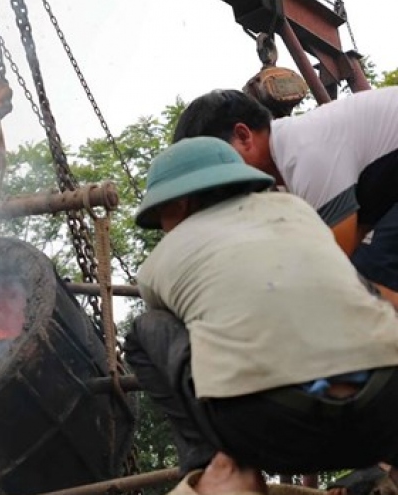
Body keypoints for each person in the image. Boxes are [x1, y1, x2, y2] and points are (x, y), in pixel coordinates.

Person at [125, 137, 398, 495]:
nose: (163, 228)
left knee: (146, 331)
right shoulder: (298, 212)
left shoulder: (155, 266)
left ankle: (218, 467)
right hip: (385, 415)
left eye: (161, 215)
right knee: (355, 291)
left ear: (181, 202)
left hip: (270, 431)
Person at [171, 87, 398, 307]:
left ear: (243, 136)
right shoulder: (282, 176)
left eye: (215, 163)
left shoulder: (303, 151)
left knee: (366, 273)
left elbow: (335, 259)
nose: (217, 185)